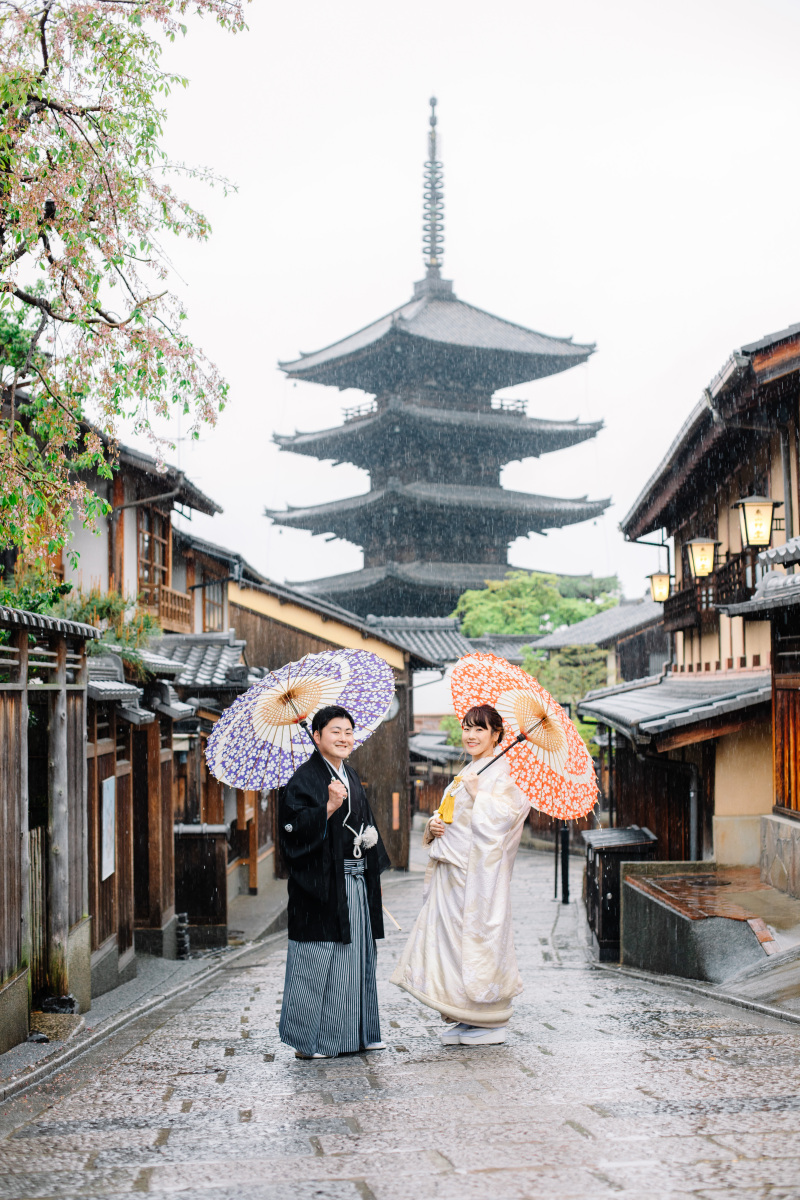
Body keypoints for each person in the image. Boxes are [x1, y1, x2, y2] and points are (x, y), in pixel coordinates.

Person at [390, 704, 532, 1046]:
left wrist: (478, 793)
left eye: (480, 729)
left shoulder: (504, 772)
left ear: (496, 735)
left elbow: (506, 820)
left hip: (477, 879)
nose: (471, 735)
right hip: (453, 875)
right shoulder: (471, 769)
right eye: (467, 728)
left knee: (477, 942)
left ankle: (489, 1019)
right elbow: (449, 814)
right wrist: (434, 824)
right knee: (451, 945)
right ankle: (466, 1014)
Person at [278, 704, 391, 1059]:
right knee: (318, 960)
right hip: (321, 887)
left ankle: (358, 1035)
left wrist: (368, 843)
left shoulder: (350, 775)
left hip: (354, 883)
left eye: (348, 732)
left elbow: (365, 823)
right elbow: (291, 831)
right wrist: (326, 808)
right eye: (335, 732)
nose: (344, 738)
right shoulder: (303, 779)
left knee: (357, 958)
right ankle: (311, 1043)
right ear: (316, 737)